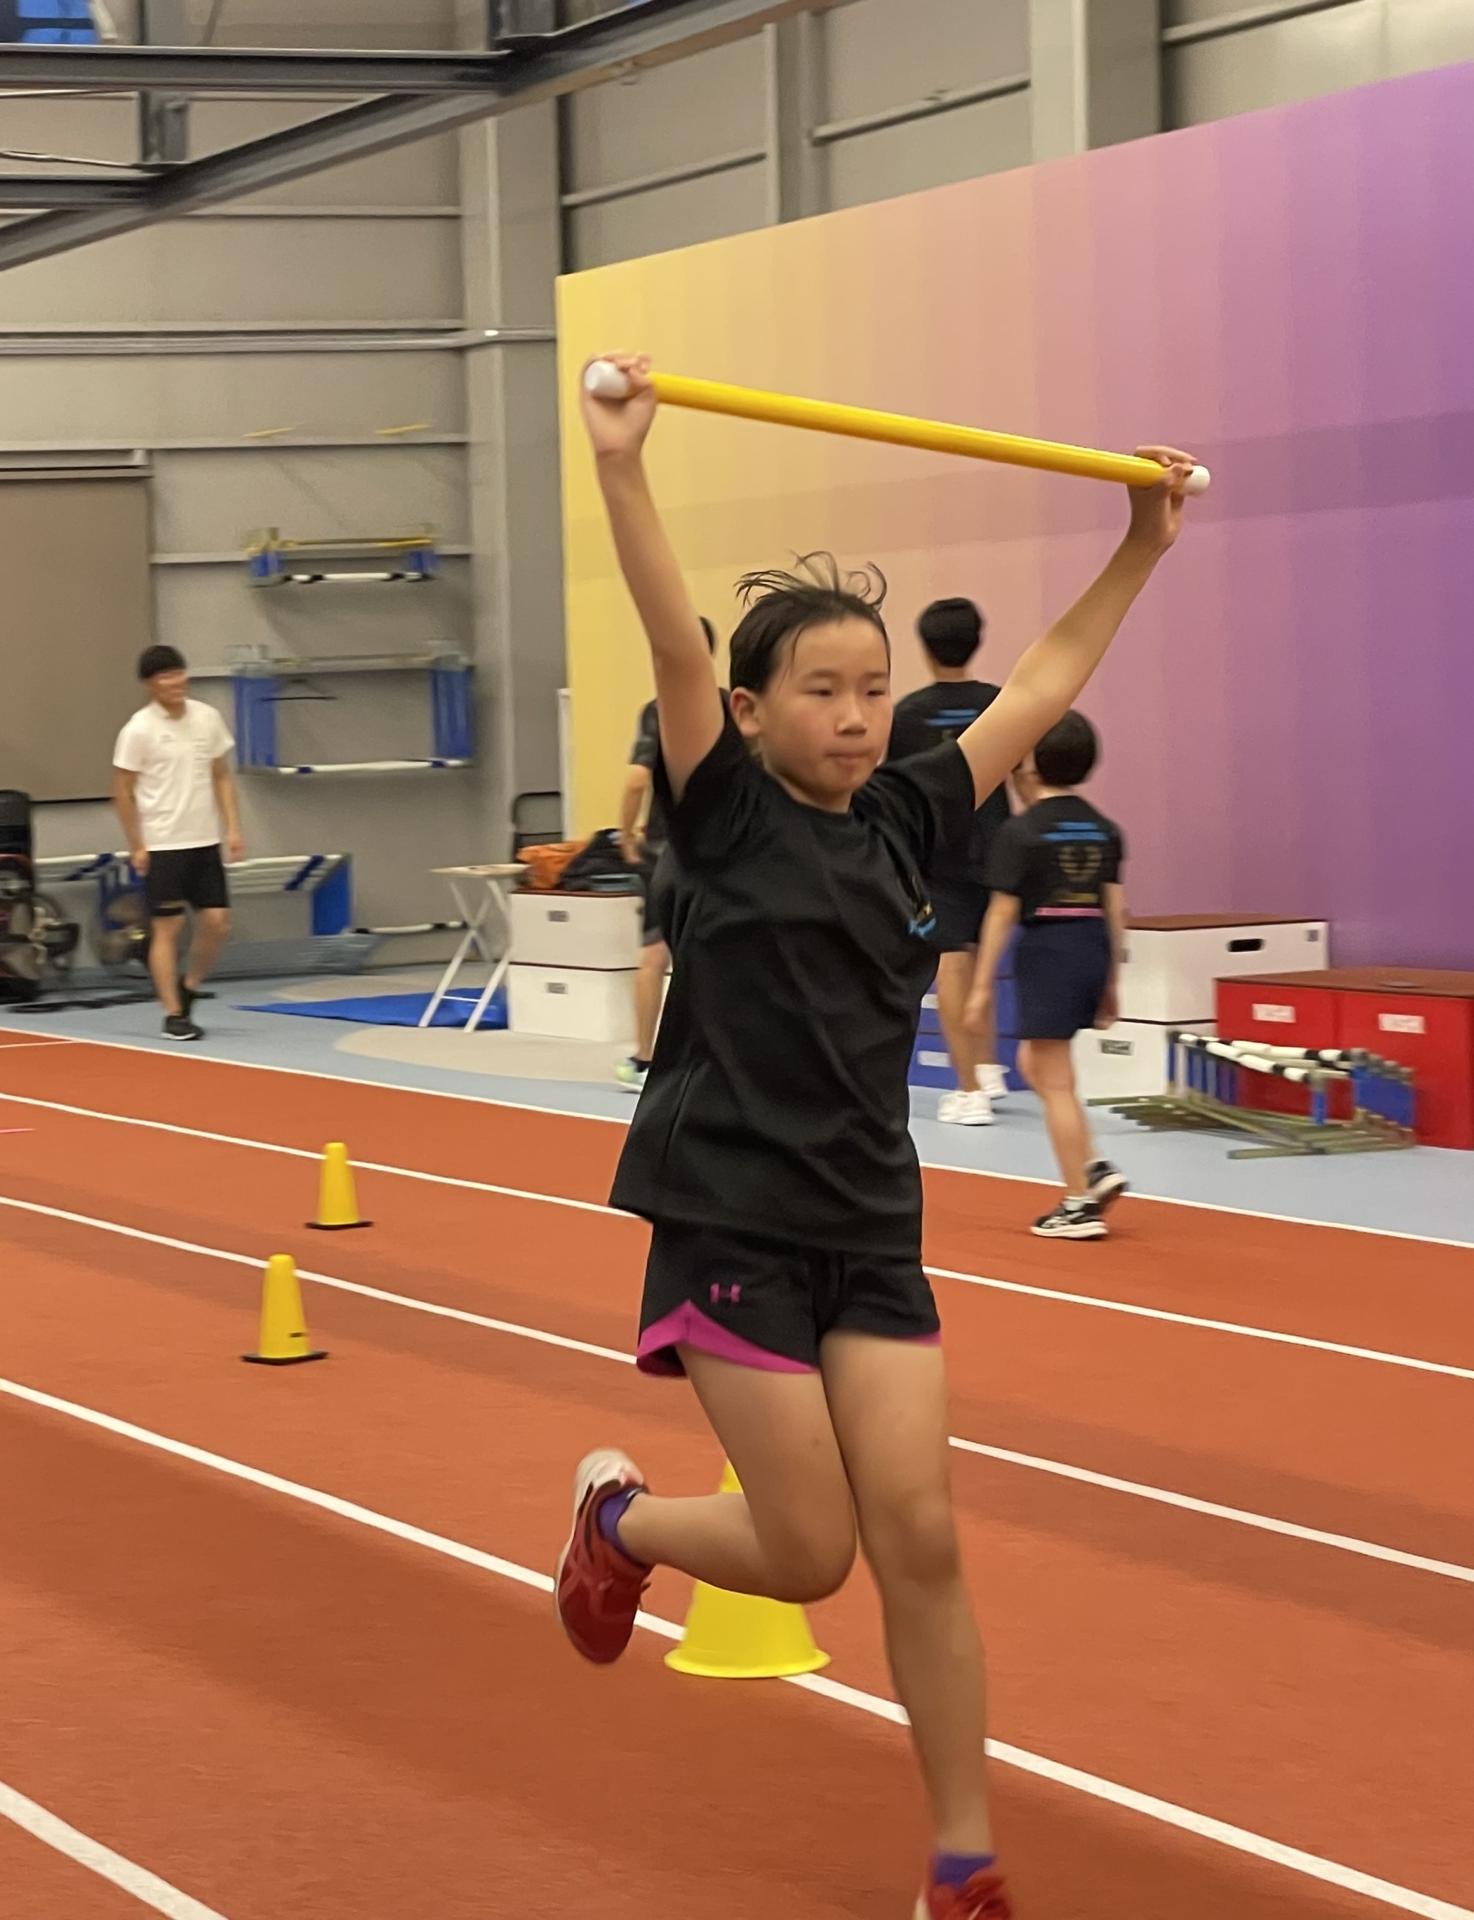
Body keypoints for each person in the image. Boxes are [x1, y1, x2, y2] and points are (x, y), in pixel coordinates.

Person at [553, 350, 1195, 1920]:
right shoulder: (722, 807)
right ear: (750, 710)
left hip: (866, 1226)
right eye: (819, 692)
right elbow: (671, 633)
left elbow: (1042, 683)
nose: (853, 716)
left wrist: (1140, 542)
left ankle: (964, 1865)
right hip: (729, 1215)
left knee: (923, 1539)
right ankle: (618, 1523)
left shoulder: (912, 810)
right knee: (808, 1554)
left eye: (870, 689)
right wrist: (623, 465)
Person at [967, 712, 1129, 1240]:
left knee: (1054, 1081)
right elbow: (1115, 909)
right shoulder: (1105, 829)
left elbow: (1000, 914)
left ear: (1032, 764)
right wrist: (1111, 981)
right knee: (1035, 1063)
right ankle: (1094, 1165)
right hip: (1091, 947)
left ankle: (1079, 1203)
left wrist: (981, 986)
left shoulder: (1020, 832)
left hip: (1048, 952)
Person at [890, 599, 1013, 1125]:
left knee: (953, 963)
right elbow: (1023, 773)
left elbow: (895, 790)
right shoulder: (999, 704)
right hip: (998, 842)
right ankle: (986, 1066)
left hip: (939, 850)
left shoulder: (906, 715)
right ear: (977, 640)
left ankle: (969, 1090)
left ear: (924, 647)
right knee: (983, 957)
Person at [111, 642, 244, 1042]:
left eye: (179, 673)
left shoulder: (207, 718)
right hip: (162, 843)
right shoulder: (138, 729)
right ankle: (173, 1014)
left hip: (204, 840)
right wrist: (137, 843)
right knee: (168, 925)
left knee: (217, 922)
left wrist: (233, 828)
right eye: (165, 676)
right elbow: (122, 791)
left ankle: (189, 985)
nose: (175, 682)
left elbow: (221, 775)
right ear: (149, 684)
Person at [615, 617, 720, 1087]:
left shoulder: (658, 711)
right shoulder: (733, 707)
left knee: (654, 952)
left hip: (668, 850)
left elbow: (637, 780)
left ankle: (644, 1058)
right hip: (724, 848)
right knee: (717, 953)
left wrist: (625, 833)